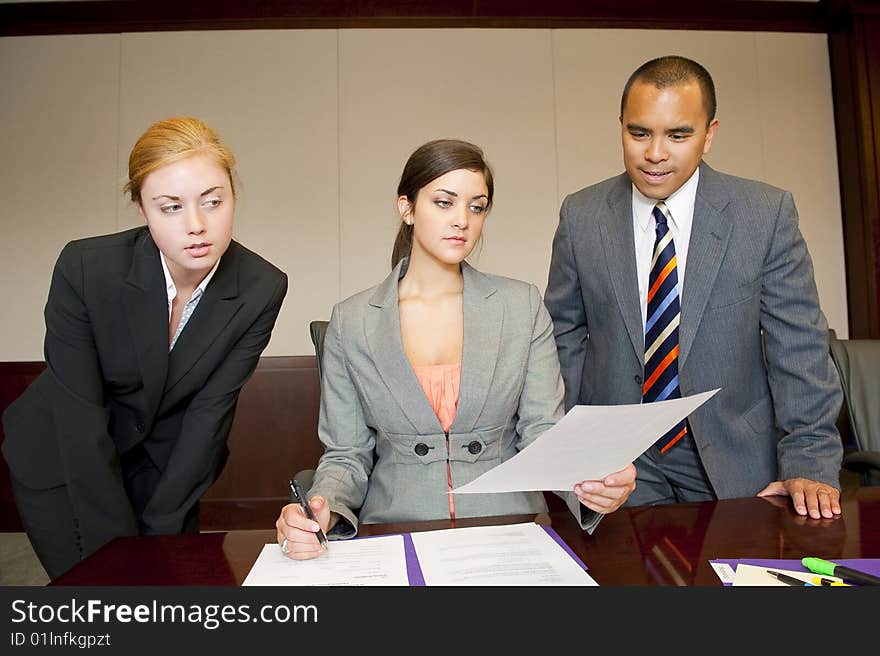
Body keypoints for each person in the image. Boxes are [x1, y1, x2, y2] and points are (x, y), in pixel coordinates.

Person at [276, 139, 636, 559]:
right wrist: (324, 508)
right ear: (406, 208)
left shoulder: (521, 306)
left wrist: (593, 484)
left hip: (511, 532)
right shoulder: (351, 322)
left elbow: (542, 431)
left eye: (476, 206)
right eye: (444, 203)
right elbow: (346, 454)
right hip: (394, 533)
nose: (462, 220)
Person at [545, 55, 843, 520]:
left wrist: (811, 462)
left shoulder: (764, 215)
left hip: (732, 456)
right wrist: (579, 447)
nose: (655, 153)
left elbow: (799, 348)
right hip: (620, 464)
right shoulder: (582, 216)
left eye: (678, 135)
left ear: (710, 134)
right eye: (639, 132)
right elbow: (562, 338)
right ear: (621, 126)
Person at [1, 116, 288, 579]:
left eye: (213, 202)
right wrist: (120, 552)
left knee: (169, 589)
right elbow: (79, 415)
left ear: (233, 193)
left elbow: (209, 414)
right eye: (170, 207)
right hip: (64, 457)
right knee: (100, 596)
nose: (197, 225)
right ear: (141, 208)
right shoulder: (85, 268)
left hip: (164, 463)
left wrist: (162, 531)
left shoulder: (261, 286)